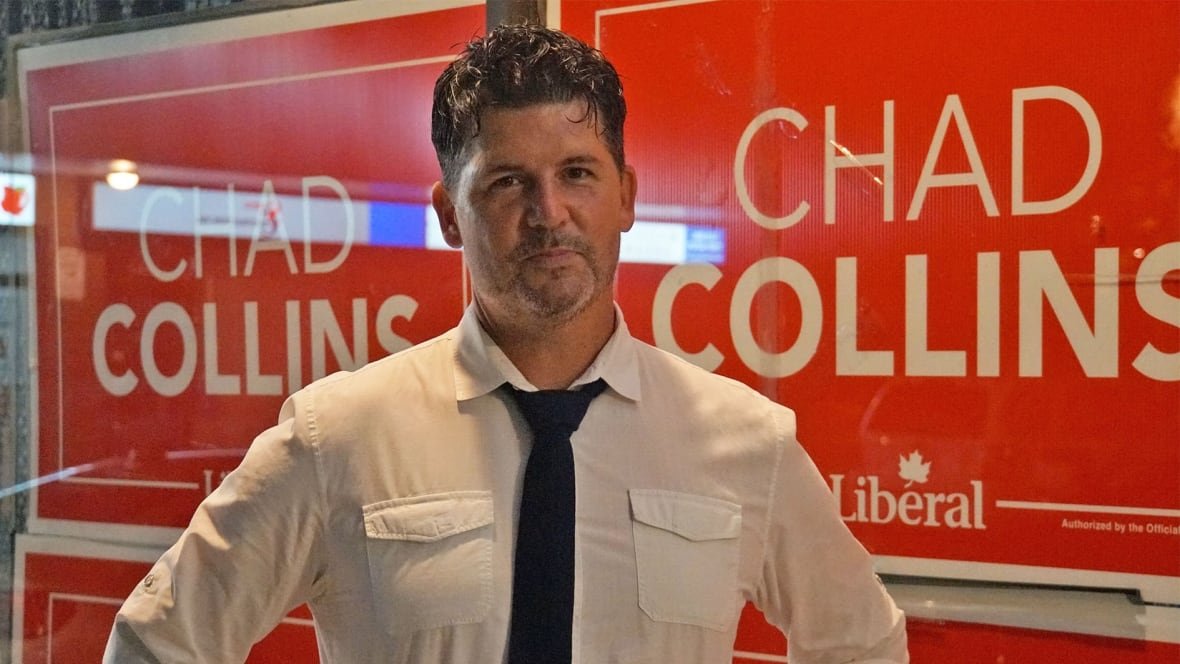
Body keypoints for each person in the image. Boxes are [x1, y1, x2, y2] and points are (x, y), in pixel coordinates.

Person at [104, 24, 908, 664]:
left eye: (579, 174)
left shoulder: (744, 442)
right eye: (507, 181)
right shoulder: (338, 435)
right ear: (449, 214)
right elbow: (159, 644)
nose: (549, 212)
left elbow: (864, 645)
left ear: (626, 195)